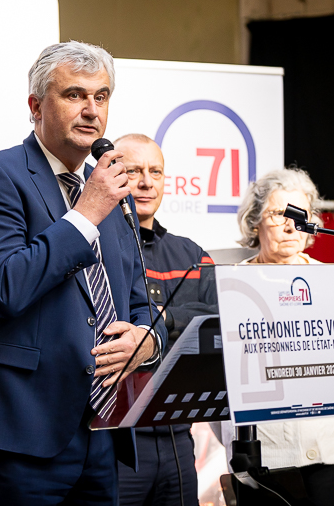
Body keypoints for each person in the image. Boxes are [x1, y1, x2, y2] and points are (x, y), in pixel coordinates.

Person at [0, 42, 164, 505]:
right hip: (20, 430)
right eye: (74, 95)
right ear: (35, 106)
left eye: (101, 97)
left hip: (102, 430)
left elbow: (140, 302)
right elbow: (6, 287)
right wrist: (86, 213)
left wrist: (147, 339)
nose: (91, 110)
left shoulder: (114, 192)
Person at [228, 167, 334, 505]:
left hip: (330, 451)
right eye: (277, 214)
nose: (290, 226)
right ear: (254, 222)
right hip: (264, 458)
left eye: (300, 216)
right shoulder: (232, 285)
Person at [114, 134, 218, 506]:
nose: (146, 182)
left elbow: (220, 320)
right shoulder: (96, 249)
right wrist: (182, 327)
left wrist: (163, 321)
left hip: (178, 440)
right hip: (117, 443)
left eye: (155, 171)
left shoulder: (191, 254)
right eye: (134, 171)